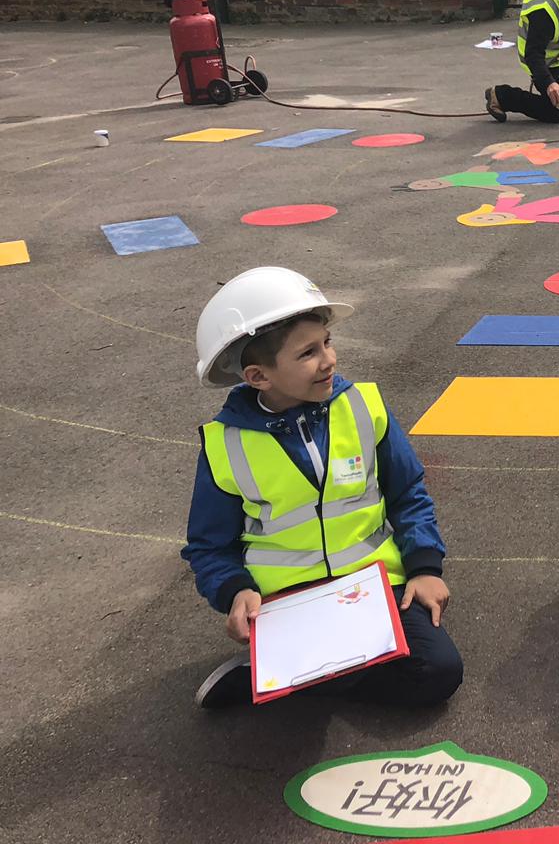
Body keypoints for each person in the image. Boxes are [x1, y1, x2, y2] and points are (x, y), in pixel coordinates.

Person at [183, 267, 463, 708]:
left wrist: (425, 567)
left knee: (439, 673)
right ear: (258, 376)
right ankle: (281, 673)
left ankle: (288, 678)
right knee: (333, 675)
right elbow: (207, 545)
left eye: (327, 343)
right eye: (307, 353)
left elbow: (408, 494)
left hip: (374, 586)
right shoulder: (226, 443)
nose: (329, 360)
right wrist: (236, 590)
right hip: (289, 601)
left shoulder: (363, 406)